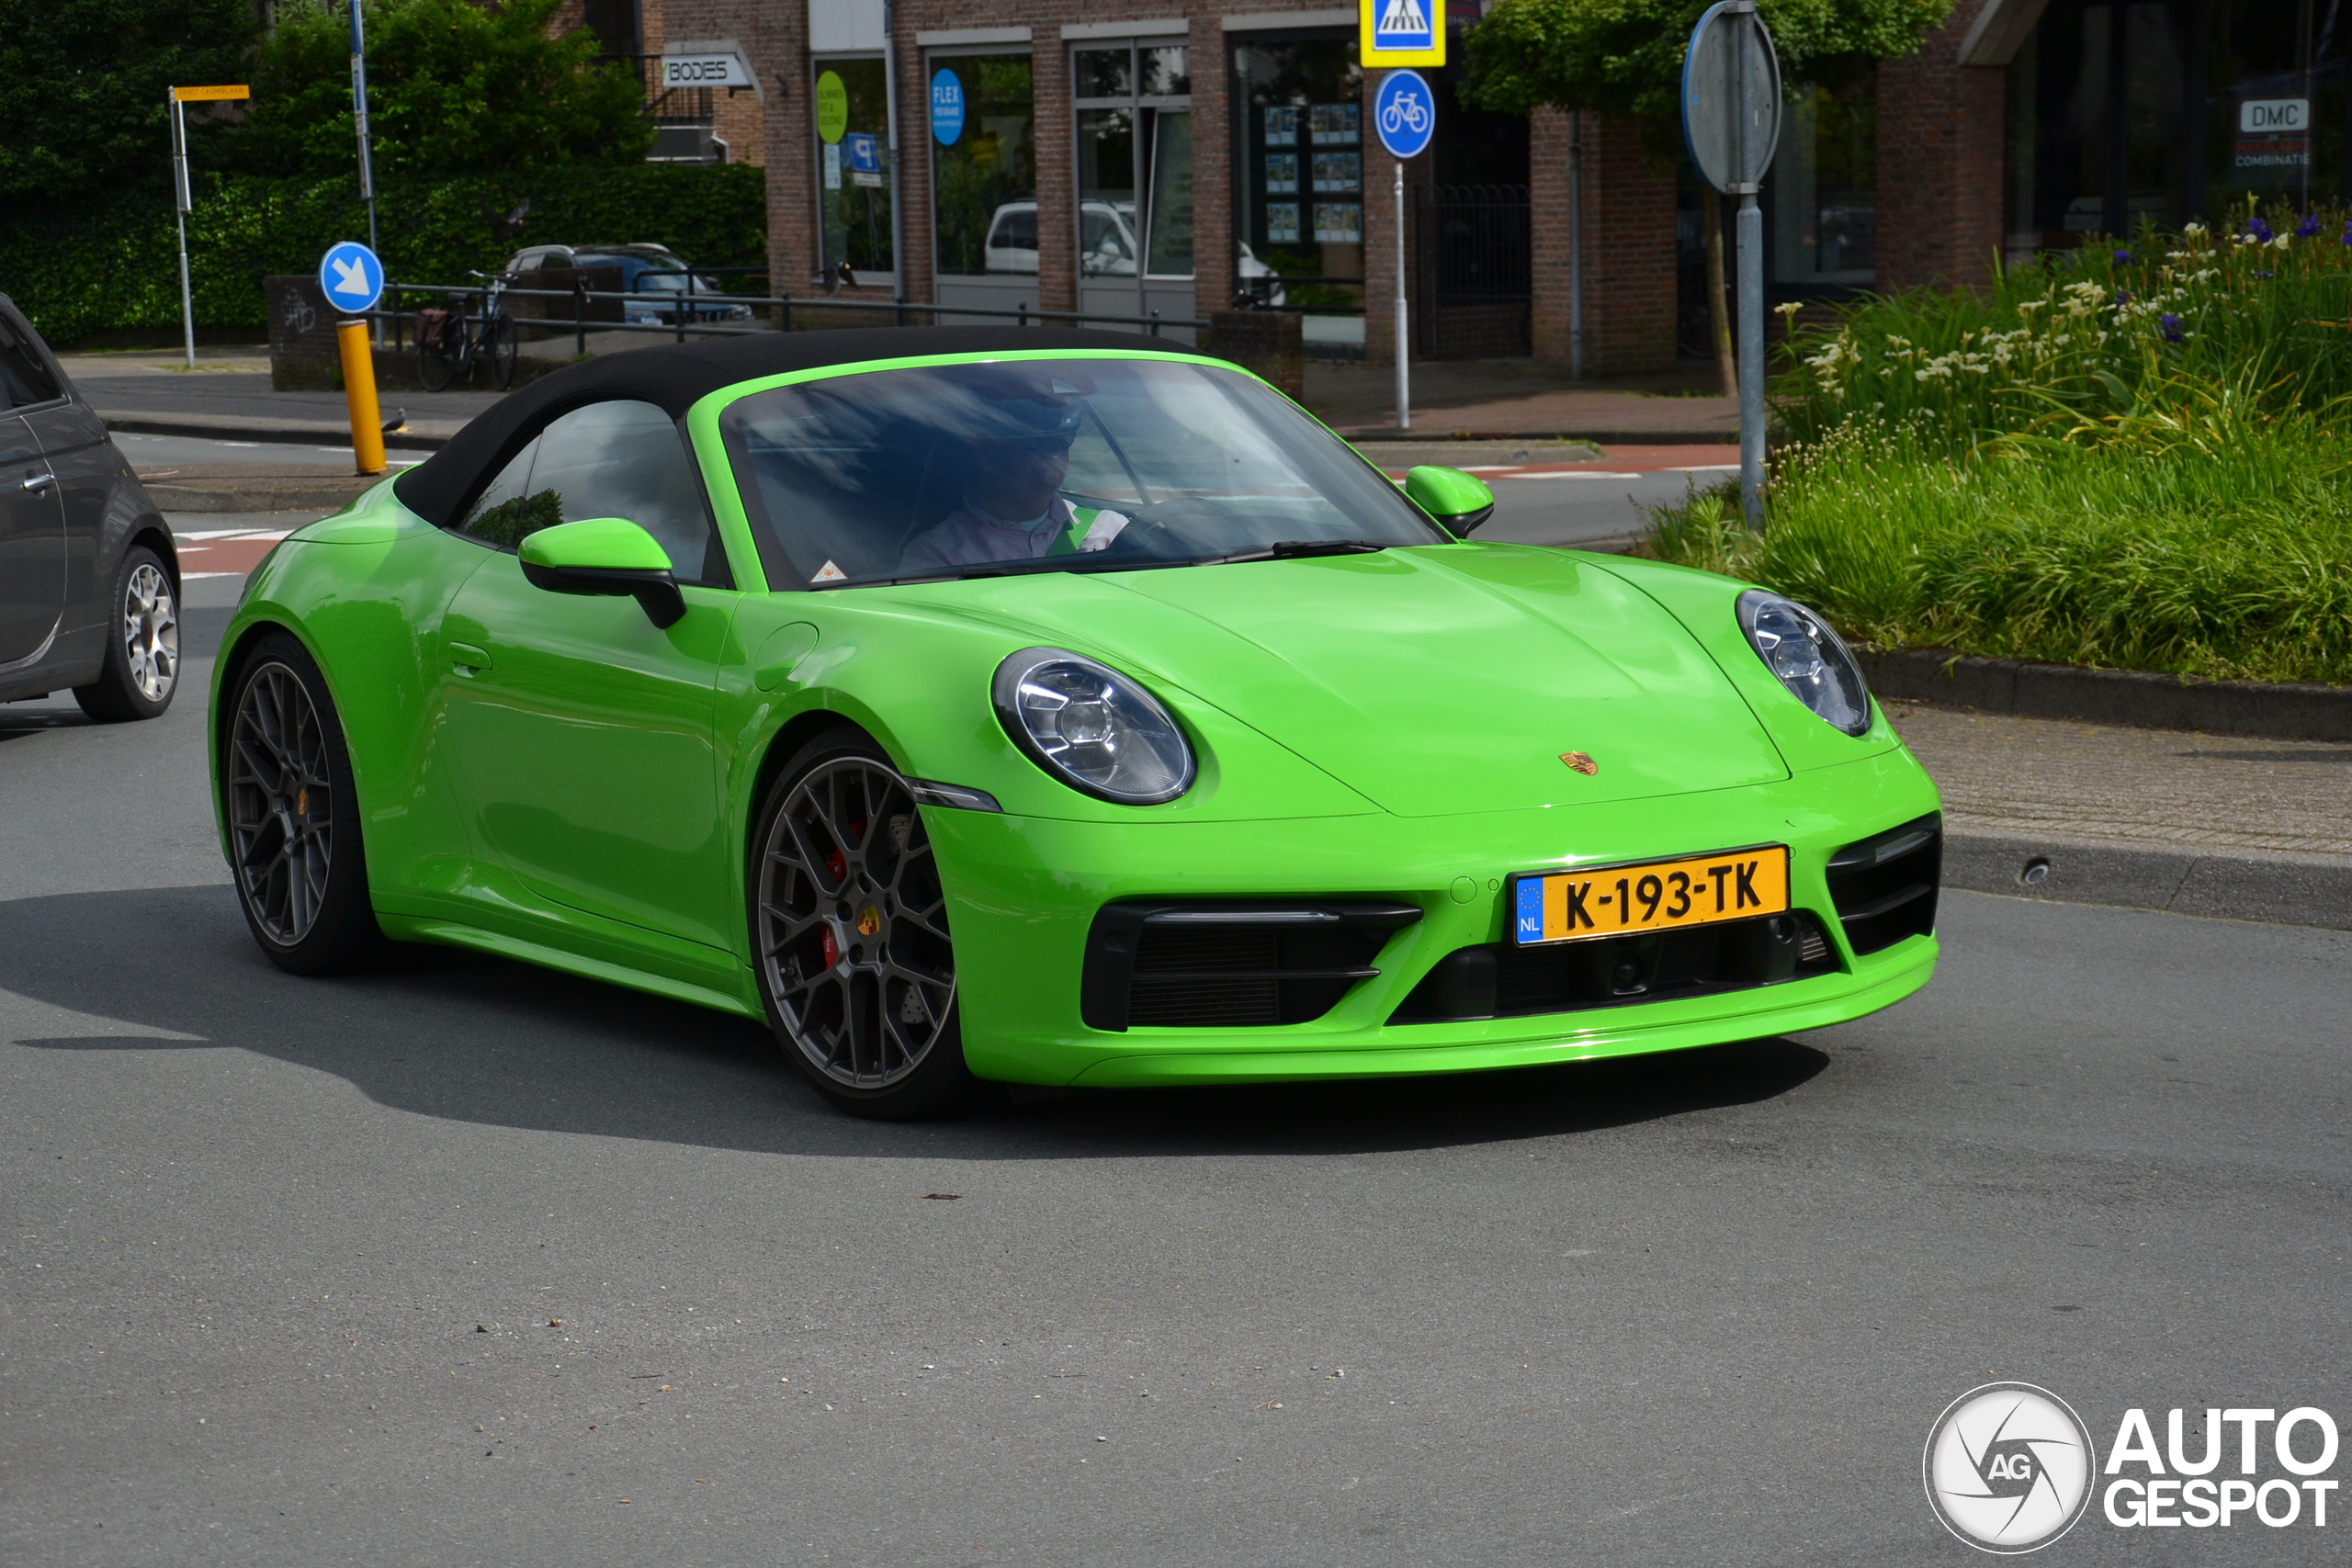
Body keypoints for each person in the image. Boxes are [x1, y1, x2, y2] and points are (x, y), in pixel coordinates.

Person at [898, 397, 1129, 571]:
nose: (1053, 455)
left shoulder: (1112, 530)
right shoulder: (939, 555)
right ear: (989, 456)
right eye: (1036, 444)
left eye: (1062, 443)